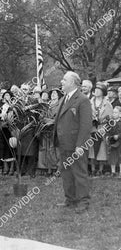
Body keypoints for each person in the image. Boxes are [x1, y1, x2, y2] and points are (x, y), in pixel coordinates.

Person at [53, 71, 92, 213]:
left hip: (76, 145)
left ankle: (83, 201)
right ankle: (70, 199)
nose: (61, 82)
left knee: (79, 173)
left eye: (64, 80)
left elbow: (86, 125)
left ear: (73, 83)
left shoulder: (82, 100)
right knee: (66, 173)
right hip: (63, 144)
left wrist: (80, 145)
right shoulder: (64, 98)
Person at [89, 83, 113, 176]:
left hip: (102, 129)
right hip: (92, 128)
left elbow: (110, 118)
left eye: (99, 90)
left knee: (102, 150)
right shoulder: (89, 102)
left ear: (103, 92)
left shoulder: (108, 104)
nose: (97, 91)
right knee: (91, 149)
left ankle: (100, 169)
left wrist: (104, 122)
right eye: (96, 89)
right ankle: (93, 169)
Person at [105, 106, 121, 177]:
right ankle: (113, 172)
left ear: (120, 114)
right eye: (113, 112)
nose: (114, 114)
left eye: (115, 112)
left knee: (120, 156)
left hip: (120, 141)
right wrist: (107, 136)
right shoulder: (111, 122)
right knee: (112, 156)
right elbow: (107, 131)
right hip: (113, 142)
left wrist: (118, 136)